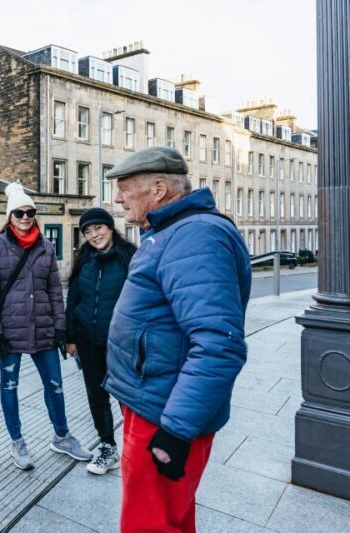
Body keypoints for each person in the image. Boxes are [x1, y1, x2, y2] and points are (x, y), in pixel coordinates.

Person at [103, 146, 251, 532]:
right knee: (172, 519)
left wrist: (177, 429)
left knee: (148, 523)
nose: (117, 198)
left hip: (164, 413)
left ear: (158, 188)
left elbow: (219, 343)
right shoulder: (171, 232)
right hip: (155, 401)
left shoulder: (194, 236)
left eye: (124, 187)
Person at [0, 183, 92, 470]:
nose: (26, 217)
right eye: (19, 212)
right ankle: (17, 441)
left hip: (43, 330)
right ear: (10, 216)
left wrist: (60, 328)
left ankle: (62, 435)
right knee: (10, 386)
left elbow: (55, 291)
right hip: (9, 331)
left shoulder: (46, 246)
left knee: (55, 385)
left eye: (30, 212)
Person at [66, 208, 136, 475]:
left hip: (121, 342)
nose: (94, 235)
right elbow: (73, 300)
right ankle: (107, 446)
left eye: (98, 228)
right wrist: (70, 338)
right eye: (87, 231)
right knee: (96, 395)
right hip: (87, 340)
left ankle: (133, 446)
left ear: (109, 227)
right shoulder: (84, 259)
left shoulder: (129, 257)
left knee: (125, 395)